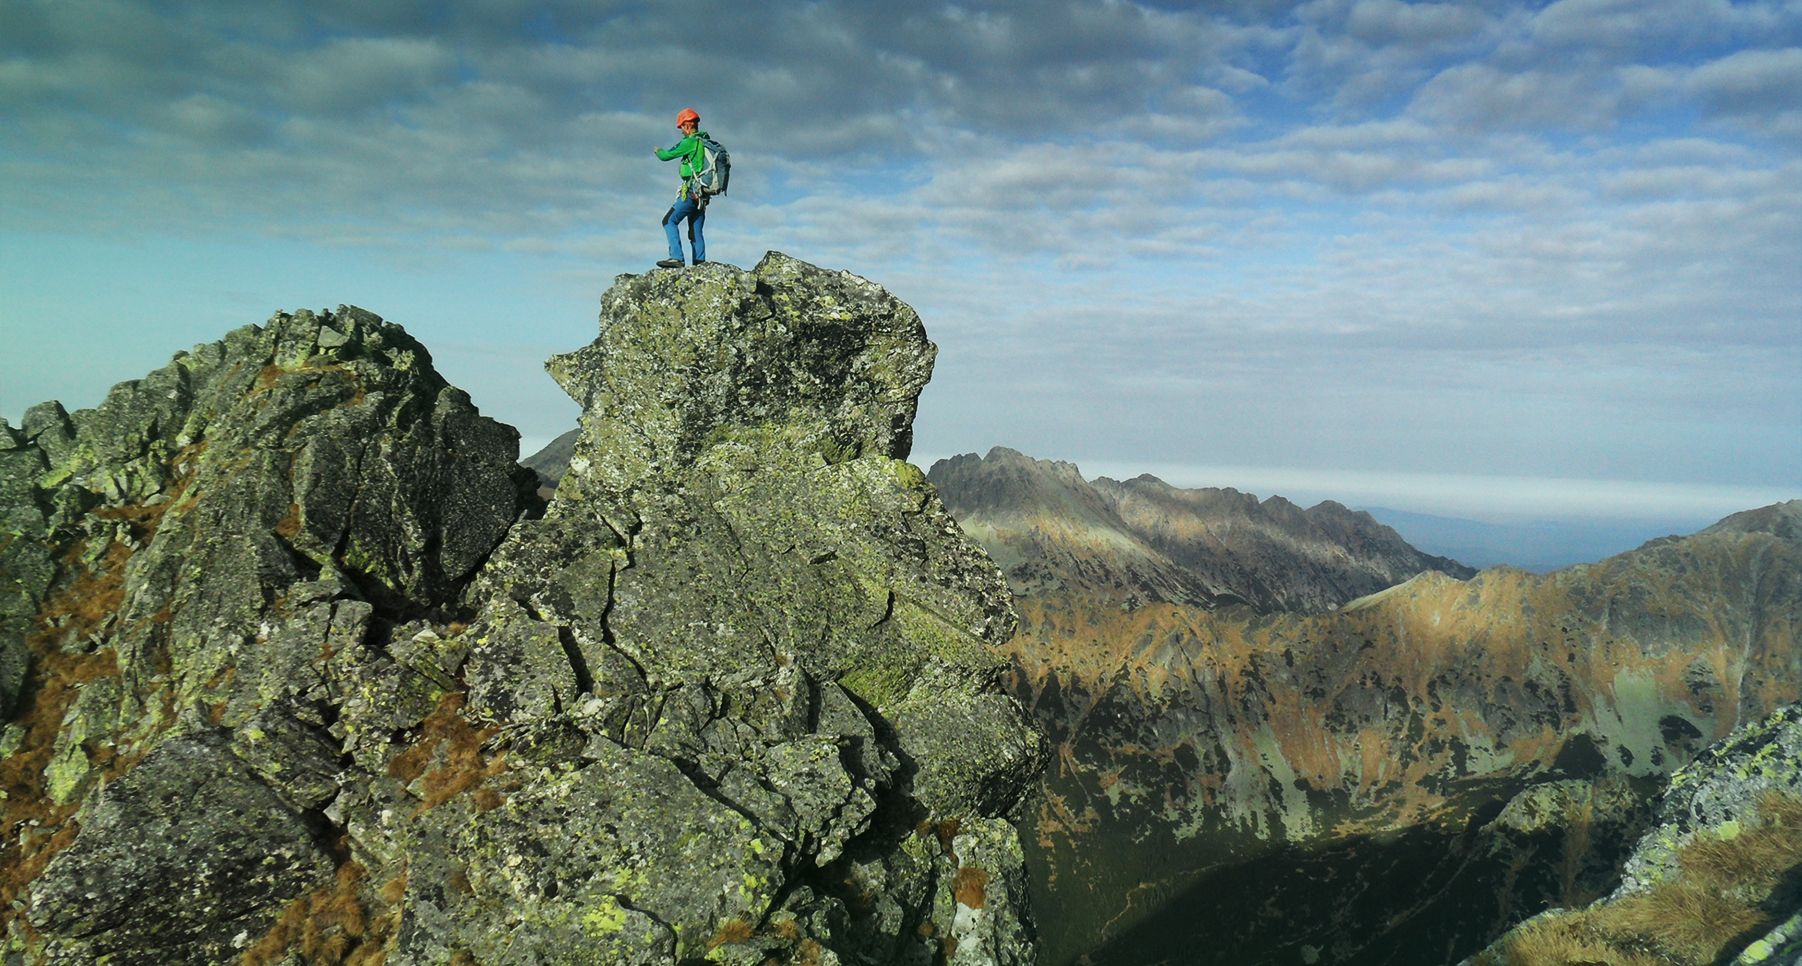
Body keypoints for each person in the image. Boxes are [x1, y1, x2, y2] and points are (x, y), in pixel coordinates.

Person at [655, 108, 710, 268]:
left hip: (691, 190)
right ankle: (700, 265)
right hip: (703, 195)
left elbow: (666, 156)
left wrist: (658, 150)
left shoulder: (690, 142)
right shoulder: (704, 142)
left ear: (687, 125)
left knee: (669, 221)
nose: (681, 131)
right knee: (695, 230)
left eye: (681, 127)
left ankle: (676, 258)